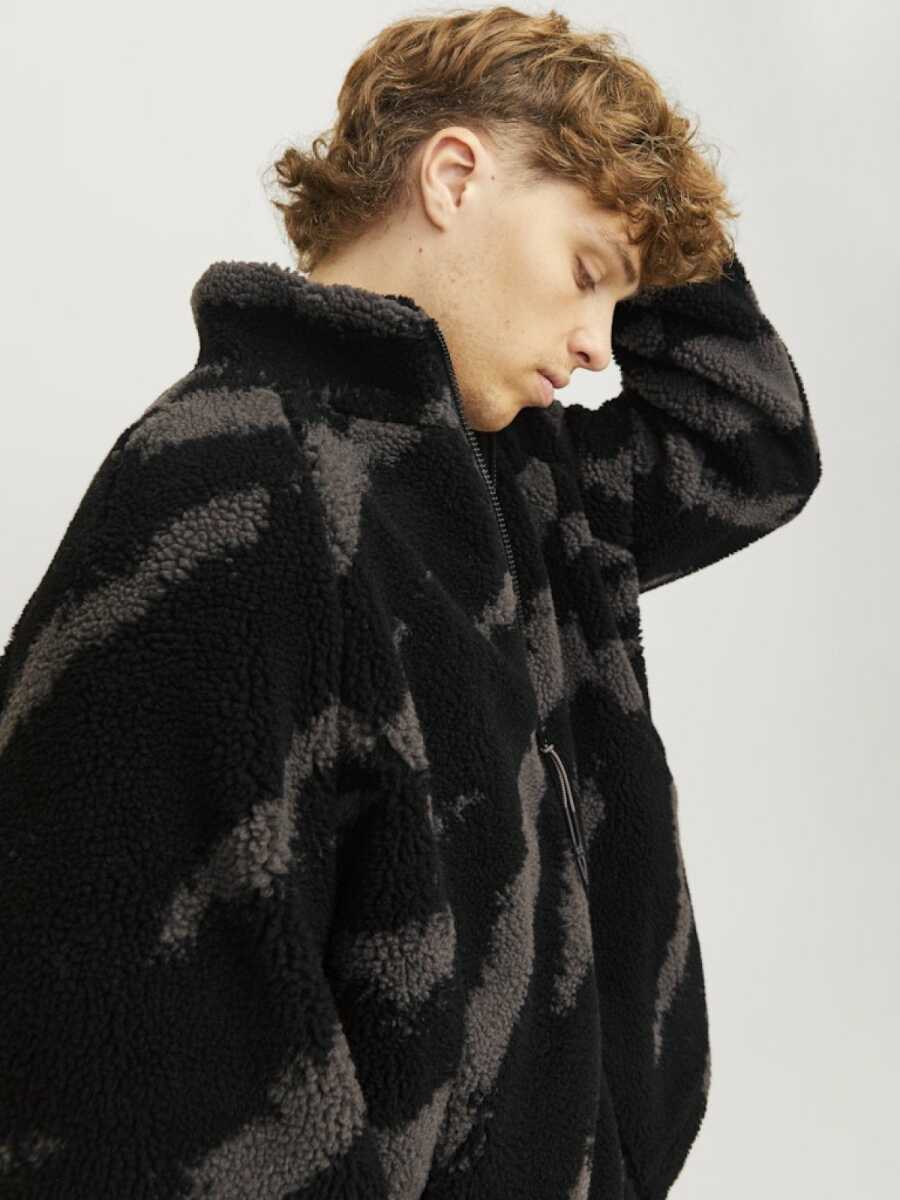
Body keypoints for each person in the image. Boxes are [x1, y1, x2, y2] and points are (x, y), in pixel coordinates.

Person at [0, 6, 822, 1198]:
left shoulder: (520, 478)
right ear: (453, 176)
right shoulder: (227, 483)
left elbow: (750, 442)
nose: (601, 345)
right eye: (587, 273)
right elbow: (121, 1054)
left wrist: (641, 187)